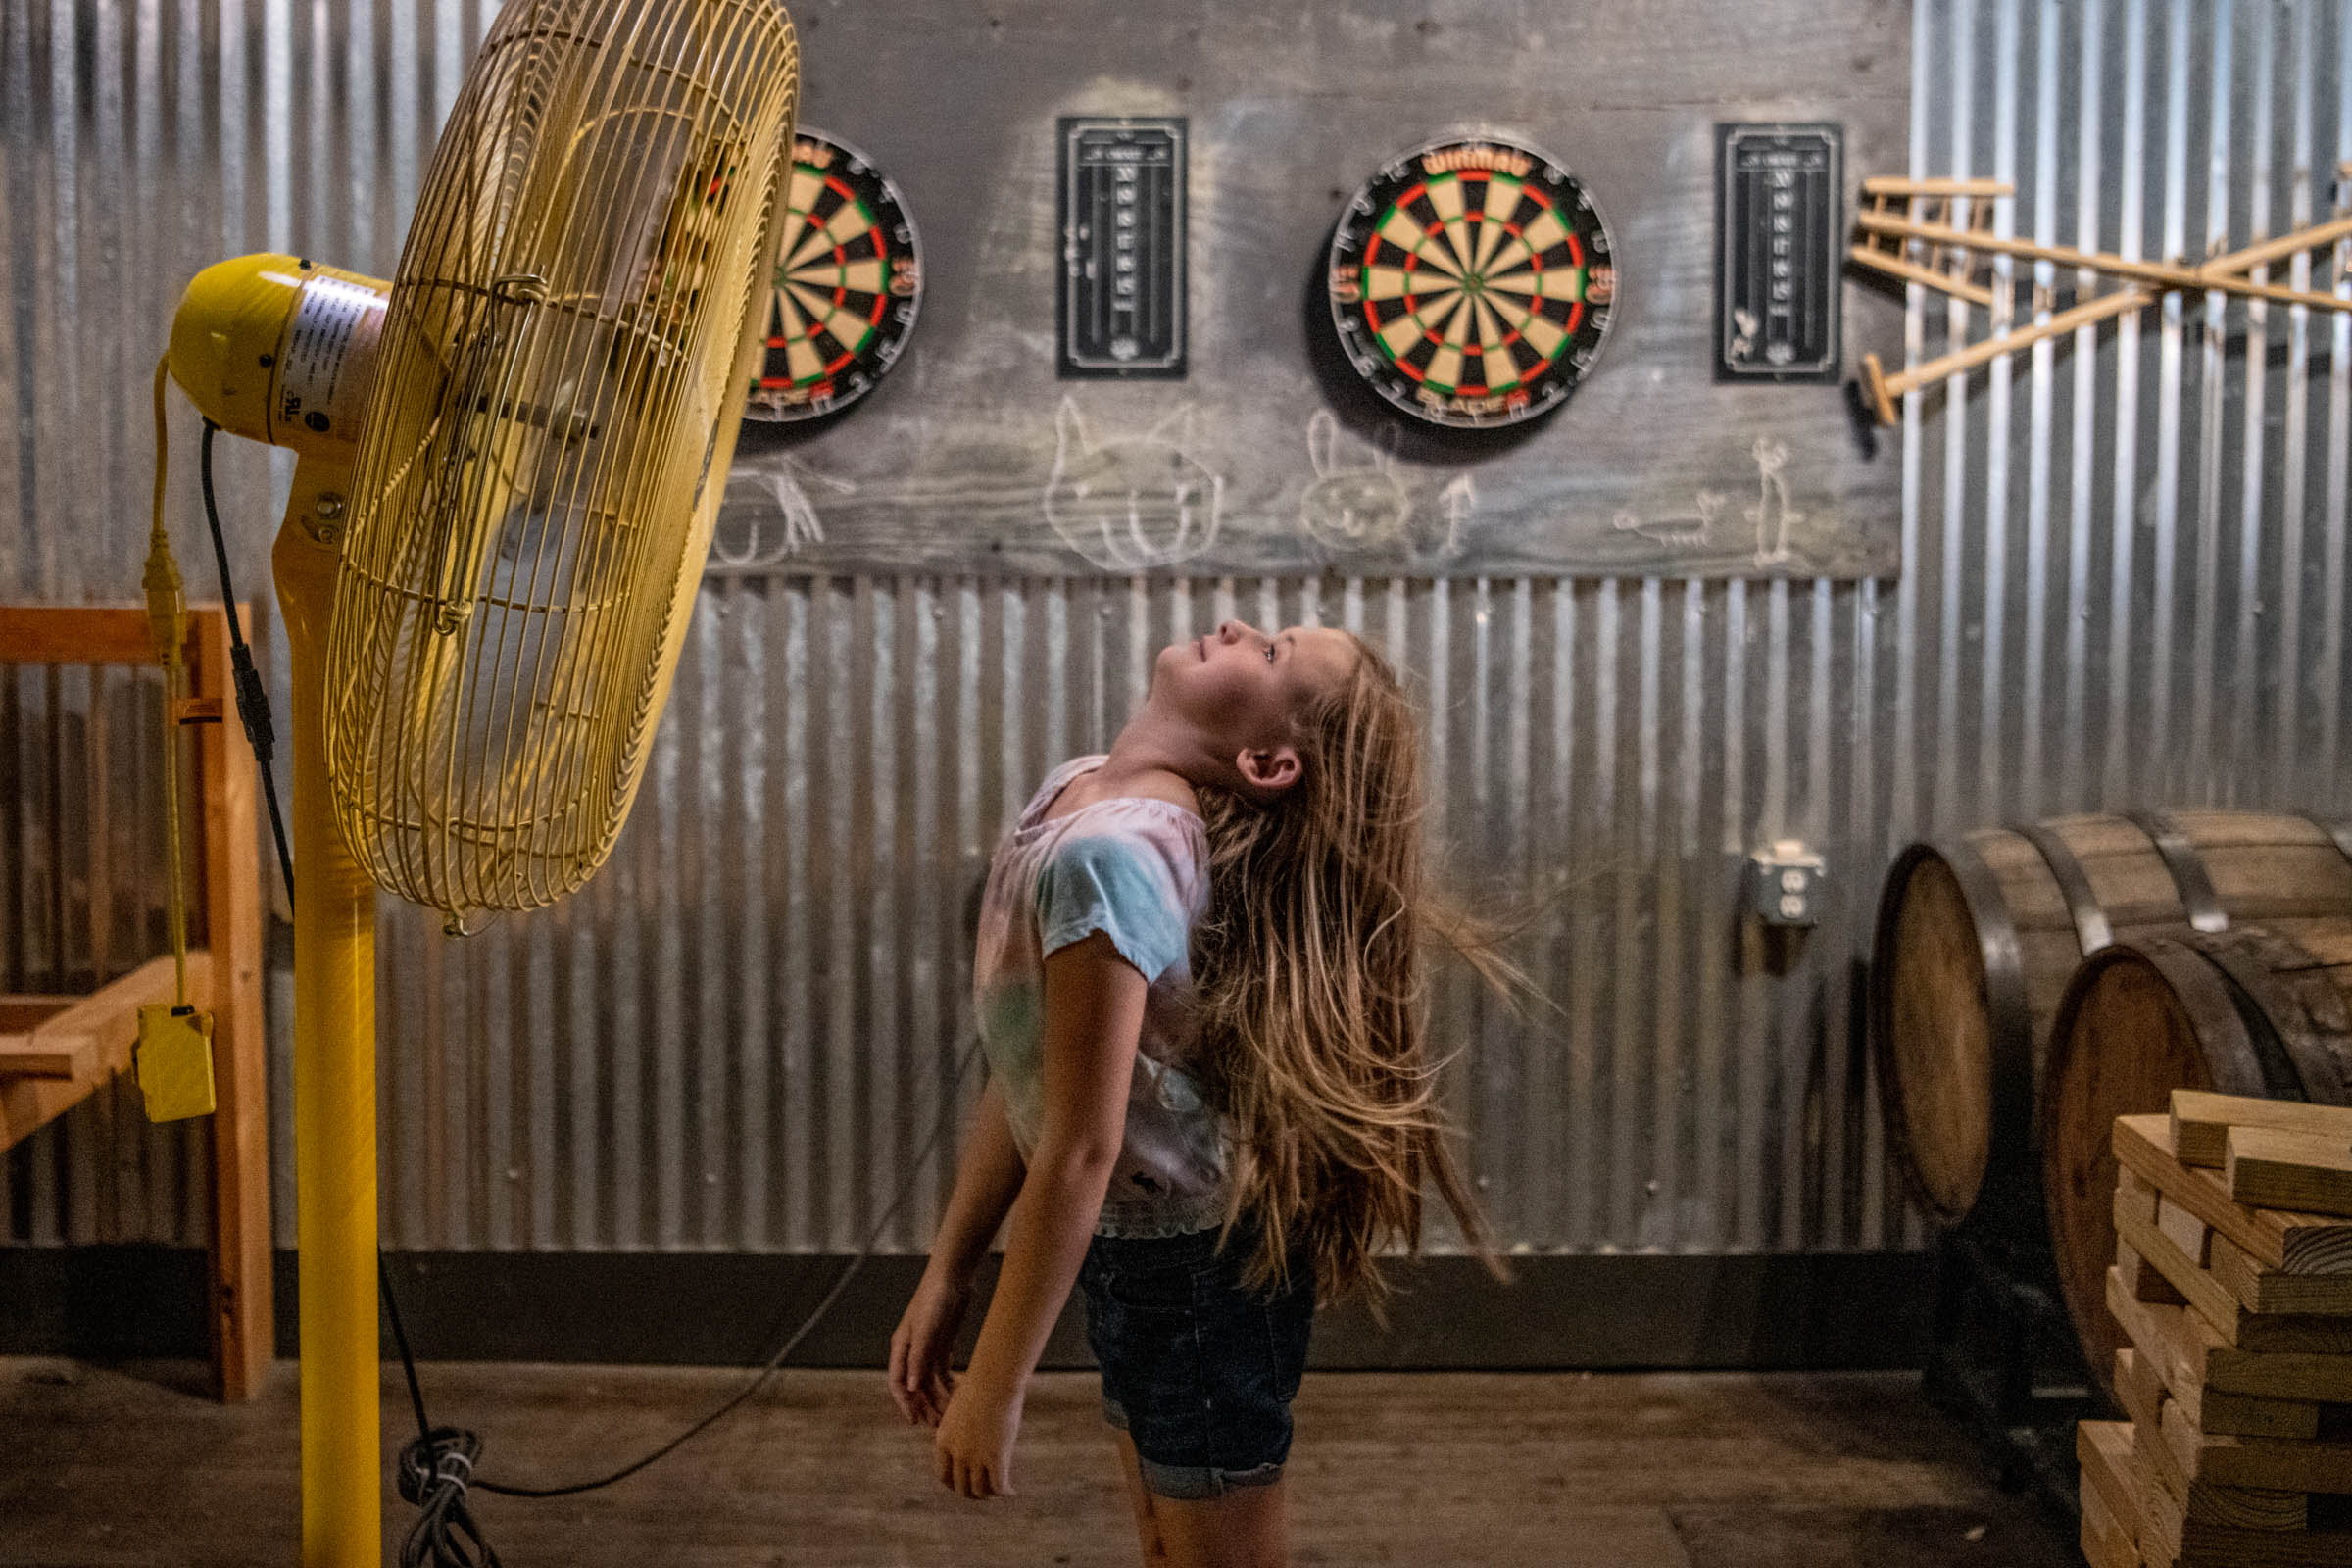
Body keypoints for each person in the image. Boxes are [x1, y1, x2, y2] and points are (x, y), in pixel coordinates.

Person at [886, 618, 1514, 1567]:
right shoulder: (1075, 795)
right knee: (1166, 1543)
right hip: (1135, 1254)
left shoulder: (1114, 859)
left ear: (1265, 761)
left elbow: (1083, 1149)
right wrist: (950, 1267)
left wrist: (997, 1381)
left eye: (1271, 654)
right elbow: (1033, 1086)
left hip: (1197, 1274)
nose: (1240, 627)